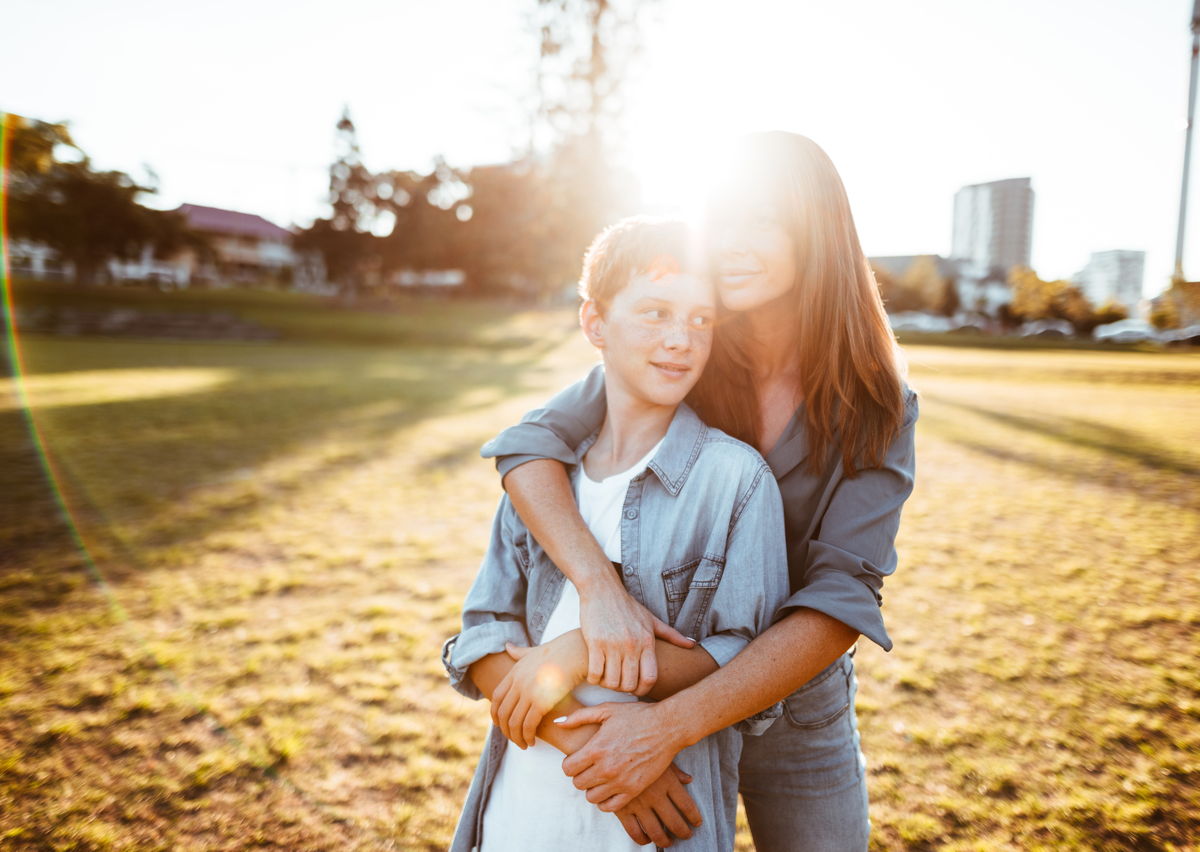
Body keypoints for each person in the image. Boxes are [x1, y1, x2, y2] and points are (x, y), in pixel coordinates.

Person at [480, 132, 918, 850]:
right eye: (724, 220)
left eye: (763, 221)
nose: (732, 244)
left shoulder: (878, 403)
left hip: (793, 707)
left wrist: (664, 732)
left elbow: (843, 598)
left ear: (816, 232)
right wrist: (599, 591)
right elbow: (528, 447)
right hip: (662, 673)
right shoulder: (687, 351)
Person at [443, 217, 790, 851]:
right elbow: (481, 639)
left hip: (657, 830)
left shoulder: (736, 480)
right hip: (519, 820)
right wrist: (594, 753)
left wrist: (578, 649)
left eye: (700, 320)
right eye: (655, 312)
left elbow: (743, 658)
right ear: (594, 323)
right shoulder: (540, 479)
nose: (681, 339)